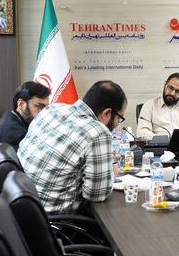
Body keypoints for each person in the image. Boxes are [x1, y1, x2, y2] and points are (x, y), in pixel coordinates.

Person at [18, 81, 127, 214]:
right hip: (54, 218)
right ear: (107, 113)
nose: (117, 123)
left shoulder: (52, 109)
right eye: (119, 118)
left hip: (24, 206)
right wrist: (110, 173)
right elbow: (96, 195)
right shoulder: (98, 132)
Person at [136, 72, 179, 140]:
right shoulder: (150, 105)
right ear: (165, 85)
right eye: (170, 88)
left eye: (177, 91)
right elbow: (142, 132)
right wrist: (163, 140)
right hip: (160, 145)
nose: (172, 93)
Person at [0, 81, 50, 150]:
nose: (44, 112)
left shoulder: (12, 116)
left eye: (46, 108)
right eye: (39, 106)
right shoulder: (14, 133)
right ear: (21, 104)